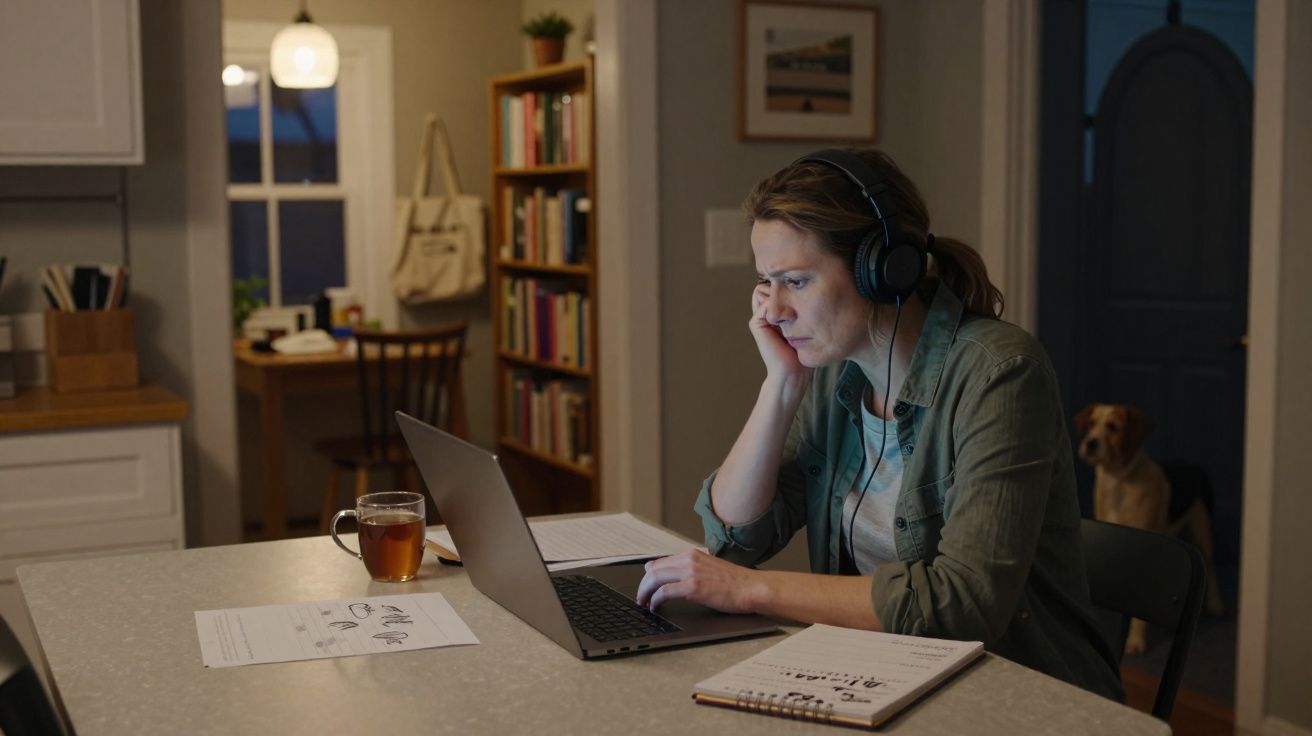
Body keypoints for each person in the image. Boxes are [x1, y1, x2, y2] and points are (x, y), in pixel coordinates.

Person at [635, 149, 1124, 701]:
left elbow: (962, 604)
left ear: (884, 269)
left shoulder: (1001, 374)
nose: (771, 311)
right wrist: (781, 387)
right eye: (765, 283)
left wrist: (752, 591)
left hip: (1018, 693)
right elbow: (734, 540)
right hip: (885, 676)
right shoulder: (832, 371)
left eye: (795, 281)